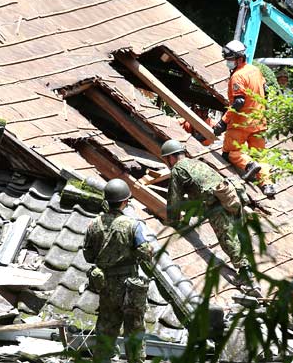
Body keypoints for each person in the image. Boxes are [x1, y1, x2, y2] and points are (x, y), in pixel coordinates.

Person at [160, 139, 259, 291]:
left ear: (171, 157)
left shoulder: (178, 170)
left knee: (227, 238)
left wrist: (172, 220)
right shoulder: (197, 162)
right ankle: (250, 267)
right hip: (231, 197)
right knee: (238, 233)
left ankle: (247, 277)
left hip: (216, 205)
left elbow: (174, 198)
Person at [83, 179, 154, 363]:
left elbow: (89, 256)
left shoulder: (94, 224)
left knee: (106, 327)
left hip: (106, 285)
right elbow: (146, 253)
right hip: (129, 286)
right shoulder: (133, 225)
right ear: (125, 201)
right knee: (134, 329)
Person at [213, 40, 276, 198]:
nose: (228, 63)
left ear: (239, 58)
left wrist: (223, 121)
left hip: (240, 124)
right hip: (259, 121)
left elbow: (239, 102)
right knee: (260, 154)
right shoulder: (255, 70)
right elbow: (265, 92)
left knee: (230, 152)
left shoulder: (238, 77)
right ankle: (267, 185)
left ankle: (249, 165)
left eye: (230, 59)